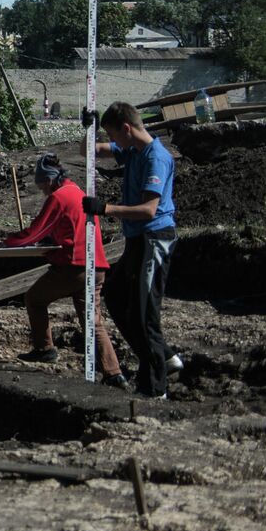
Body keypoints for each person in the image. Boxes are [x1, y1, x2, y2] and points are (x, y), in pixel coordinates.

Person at [1, 154, 126, 388]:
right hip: (96, 266)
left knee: (34, 299)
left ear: (49, 180)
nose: (43, 192)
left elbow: (36, 231)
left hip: (74, 266)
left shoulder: (59, 197)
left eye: (42, 187)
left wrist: (9, 242)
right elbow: (66, 229)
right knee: (92, 322)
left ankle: (44, 348)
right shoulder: (78, 192)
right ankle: (113, 372)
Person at [84, 101, 178, 399]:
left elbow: (150, 210)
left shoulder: (155, 159)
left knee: (143, 313)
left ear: (126, 128)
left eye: (114, 135)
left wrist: (106, 209)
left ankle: (155, 387)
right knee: (115, 295)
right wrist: (88, 128)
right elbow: (90, 152)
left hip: (155, 239)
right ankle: (165, 356)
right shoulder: (134, 150)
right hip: (137, 240)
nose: (113, 142)